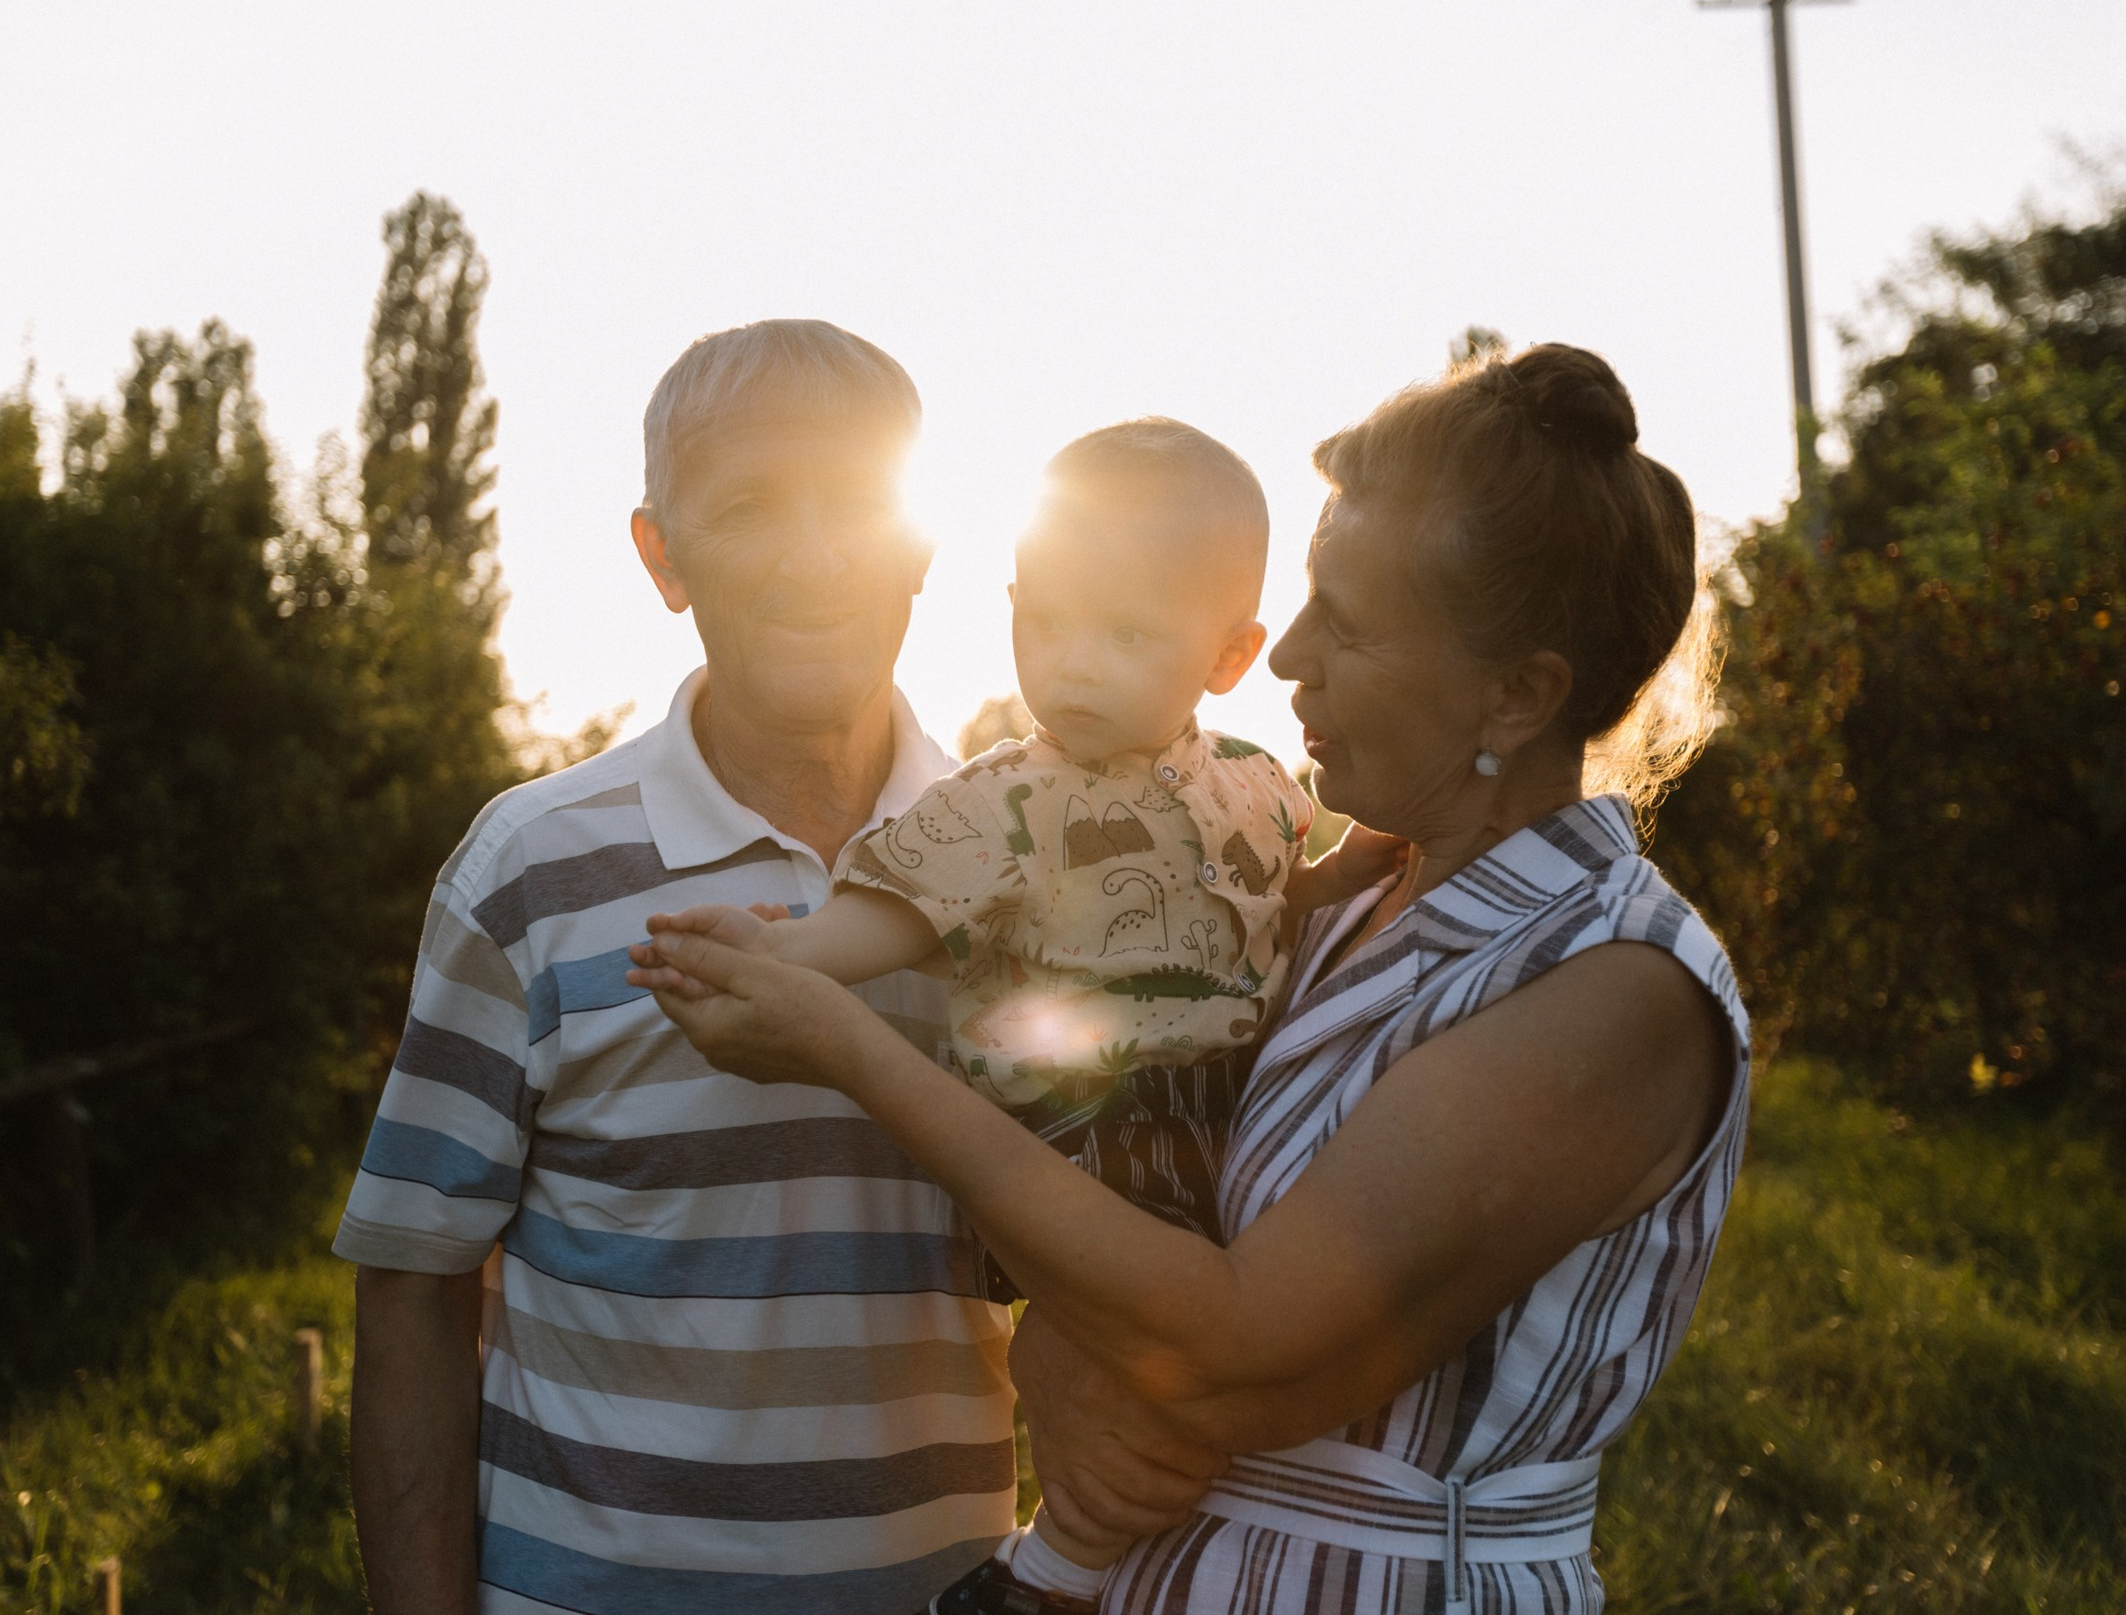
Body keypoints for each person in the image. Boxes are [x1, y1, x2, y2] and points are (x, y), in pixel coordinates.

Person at [629, 342, 1749, 1614]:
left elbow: (1223, 1342)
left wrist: (850, 1047)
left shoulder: (1611, 988)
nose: (1286, 661)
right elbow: (1142, 1180)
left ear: (1515, 696)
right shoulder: (1336, 900)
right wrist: (1053, 1347)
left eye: (1351, 624)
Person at [630, 419, 1392, 1600]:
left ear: (1229, 654)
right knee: (1159, 1368)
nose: (1074, 664)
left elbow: (1284, 893)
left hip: (1226, 1119)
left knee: (1253, 1351)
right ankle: (1047, 1575)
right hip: (1080, 1130)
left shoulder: (1255, 781)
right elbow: (896, 913)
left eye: (1126, 634)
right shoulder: (1003, 799)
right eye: (1046, 623)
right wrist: (783, 958)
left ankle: (1130, 1562)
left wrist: (1372, 864)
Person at [335, 320, 1019, 1615]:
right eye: (751, 504)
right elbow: (414, 1285)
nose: (815, 555)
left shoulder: (1022, 862)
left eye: (857, 504)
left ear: (924, 536)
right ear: (663, 555)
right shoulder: (527, 864)